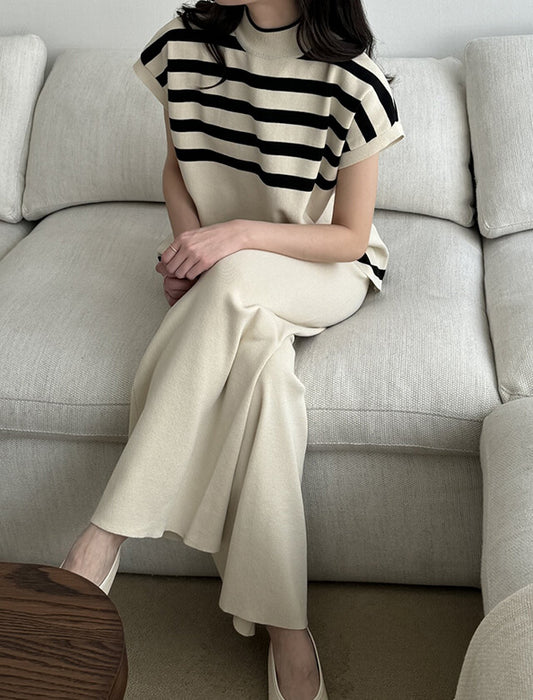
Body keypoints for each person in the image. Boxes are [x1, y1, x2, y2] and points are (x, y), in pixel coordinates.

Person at [60, 1, 405, 698]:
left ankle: (102, 538)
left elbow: (347, 235)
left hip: (323, 269)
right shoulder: (182, 45)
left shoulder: (353, 80)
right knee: (266, 382)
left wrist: (234, 240)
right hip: (227, 274)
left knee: (237, 279)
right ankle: (286, 629)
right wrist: (190, 250)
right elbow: (176, 170)